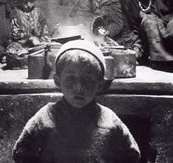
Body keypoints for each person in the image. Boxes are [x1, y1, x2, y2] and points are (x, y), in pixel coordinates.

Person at [12, 39, 141, 162]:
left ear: (100, 85)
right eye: (70, 79)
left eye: (88, 80)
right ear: (58, 81)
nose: (79, 88)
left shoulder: (109, 120)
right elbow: (21, 153)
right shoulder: (45, 117)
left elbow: (131, 155)